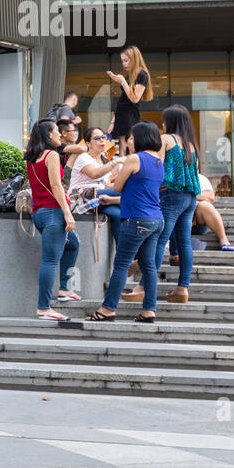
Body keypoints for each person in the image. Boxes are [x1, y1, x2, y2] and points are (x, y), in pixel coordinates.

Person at [87, 121, 164, 323]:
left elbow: (118, 186)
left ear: (139, 138)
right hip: (156, 219)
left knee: (121, 264)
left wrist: (116, 178)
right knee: (149, 266)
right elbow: (139, 193)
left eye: (131, 137)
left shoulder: (134, 159)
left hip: (136, 219)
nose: (129, 141)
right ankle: (149, 310)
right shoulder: (158, 160)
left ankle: (108, 308)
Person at [124, 104, 199, 305]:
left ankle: (142, 286)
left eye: (164, 120)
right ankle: (183, 288)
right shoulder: (191, 144)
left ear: (170, 122)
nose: (163, 124)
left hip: (171, 196)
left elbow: (156, 168)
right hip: (190, 199)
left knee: (158, 241)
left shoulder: (166, 139)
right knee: (184, 243)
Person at [25, 119, 80, 321]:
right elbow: (56, 187)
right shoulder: (51, 155)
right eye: (57, 131)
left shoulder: (33, 157)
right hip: (54, 213)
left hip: (40, 213)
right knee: (49, 261)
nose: (60, 134)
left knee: (73, 244)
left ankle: (65, 289)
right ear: (49, 135)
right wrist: (67, 212)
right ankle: (44, 307)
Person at [69, 126, 122, 242]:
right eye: (97, 138)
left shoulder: (104, 161)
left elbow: (107, 186)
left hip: (99, 199)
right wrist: (115, 162)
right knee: (129, 194)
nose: (102, 140)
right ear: (88, 143)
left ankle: (124, 257)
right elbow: (95, 174)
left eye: (104, 137)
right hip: (82, 199)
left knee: (118, 215)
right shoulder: (83, 157)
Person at [108, 46, 153, 155]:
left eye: (126, 60)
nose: (124, 64)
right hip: (122, 114)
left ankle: (128, 168)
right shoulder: (130, 75)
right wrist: (113, 121)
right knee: (122, 145)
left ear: (134, 59)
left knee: (128, 144)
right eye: (122, 61)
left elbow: (135, 98)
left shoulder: (142, 74)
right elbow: (124, 98)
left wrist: (122, 82)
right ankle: (123, 167)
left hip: (130, 114)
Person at [193, 174, 234, 252]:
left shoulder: (199, 178)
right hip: (175, 220)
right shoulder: (170, 175)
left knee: (205, 205)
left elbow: (210, 196)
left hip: (196, 222)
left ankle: (223, 239)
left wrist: (188, 195)